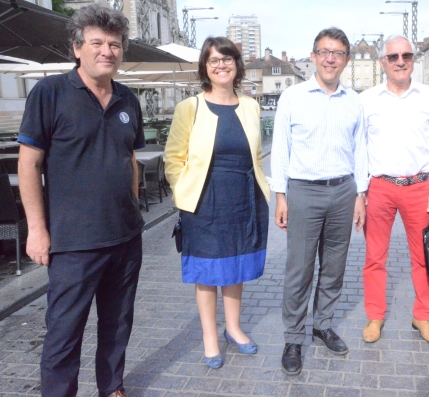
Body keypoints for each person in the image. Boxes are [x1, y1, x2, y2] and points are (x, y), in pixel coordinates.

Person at [17, 4, 144, 396]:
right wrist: (37, 230)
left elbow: (132, 160)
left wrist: (134, 208)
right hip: (73, 243)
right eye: (97, 43)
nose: (107, 51)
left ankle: (112, 387)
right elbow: (29, 164)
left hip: (125, 239)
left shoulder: (128, 99)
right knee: (64, 333)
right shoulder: (49, 93)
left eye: (115, 44)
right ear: (77, 48)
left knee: (118, 324)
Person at [164, 37, 270, 369]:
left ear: (237, 65)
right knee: (208, 272)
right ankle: (210, 337)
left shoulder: (251, 106)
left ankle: (234, 328)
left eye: (226, 59)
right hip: (204, 202)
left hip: (244, 198)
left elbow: (256, 157)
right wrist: (184, 194)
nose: (220, 65)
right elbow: (173, 158)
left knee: (235, 266)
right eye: (213, 60)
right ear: (205, 68)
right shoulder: (190, 107)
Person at [271, 27, 368, 376]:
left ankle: (322, 324)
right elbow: (280, 149)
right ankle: (293, 338)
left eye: (338, 53)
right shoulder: (293, 97)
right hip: (303, 191)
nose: (330, 58)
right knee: (299, 269)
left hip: (343, 191)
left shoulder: (354, 100)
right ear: (313, 56)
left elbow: (361, 152)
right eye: (324, 52)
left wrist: (361, 195)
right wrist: (280, 196)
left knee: (334, 265)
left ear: (346, 60)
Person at [359, 35, 429, 345]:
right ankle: (375, 315)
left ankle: (422, 316)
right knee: (374, 257)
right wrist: (360, 191)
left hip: (419, 187)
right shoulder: (367, 99)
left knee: (424, 255)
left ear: (413, 60)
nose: (400, 61)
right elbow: (359, 148)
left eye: (406, 55)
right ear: (383, 62)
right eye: (393, 56)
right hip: (379, 187)